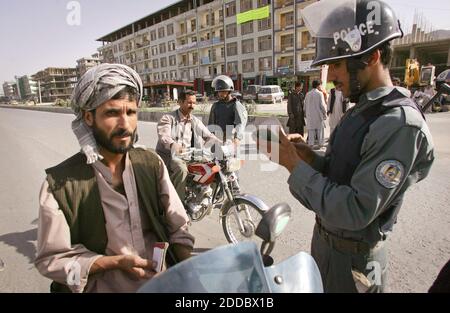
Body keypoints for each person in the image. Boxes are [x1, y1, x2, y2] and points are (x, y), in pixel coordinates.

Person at [264, 0, 434, 292]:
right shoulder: (361, 109)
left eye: (336, 65)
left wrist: (293, 165)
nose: (330, 77)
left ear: (370, 58)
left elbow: (355, 209)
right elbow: (339, 172)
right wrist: (308, 157)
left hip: (356, 265)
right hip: (326, 247)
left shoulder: (398, 123)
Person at [34, 64, 195, 293]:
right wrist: (114, 262)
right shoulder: (60, 184)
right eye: (112, 113)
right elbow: (51, 261)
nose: (125, 125)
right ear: (89, 117)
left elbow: (179, 229)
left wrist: (191, 274)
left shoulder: (151, 164)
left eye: (130, 112)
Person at [156, 89, 221, 200]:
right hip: (170, 157)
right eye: (189, 102)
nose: (192, 106)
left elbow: (208, 135)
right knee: (181, 169)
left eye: (194, 103)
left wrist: (222, 144)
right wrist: (173, 145)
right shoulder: (168, 118)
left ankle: (205, 197)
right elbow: (164, 136)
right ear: (180, 102)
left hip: (189, 156)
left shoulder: (194, 120)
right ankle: (178, 205)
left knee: (214, 167)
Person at [208, 75, 248, 146]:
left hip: (230, 140)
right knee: (215, 156)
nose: (220, 94)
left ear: (229, 90)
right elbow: (211, 123)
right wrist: (209, 136)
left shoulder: (236, 105)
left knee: (229, 156)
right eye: (219, 91)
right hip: (217, 139)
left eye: (223, 91)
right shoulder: (215, 105)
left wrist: (237, 138)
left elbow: (240, 123)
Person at [304, 80, 327, 149]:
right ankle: (320, 144)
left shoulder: (307, 94)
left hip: (310, 115)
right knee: (320, 130)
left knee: (311, 130)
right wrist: (325, 113)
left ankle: (311, 145)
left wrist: (306, 113)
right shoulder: (319, 93)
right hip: (318, 115)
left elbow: (304, 105)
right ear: (318, 85)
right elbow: (322, 105)